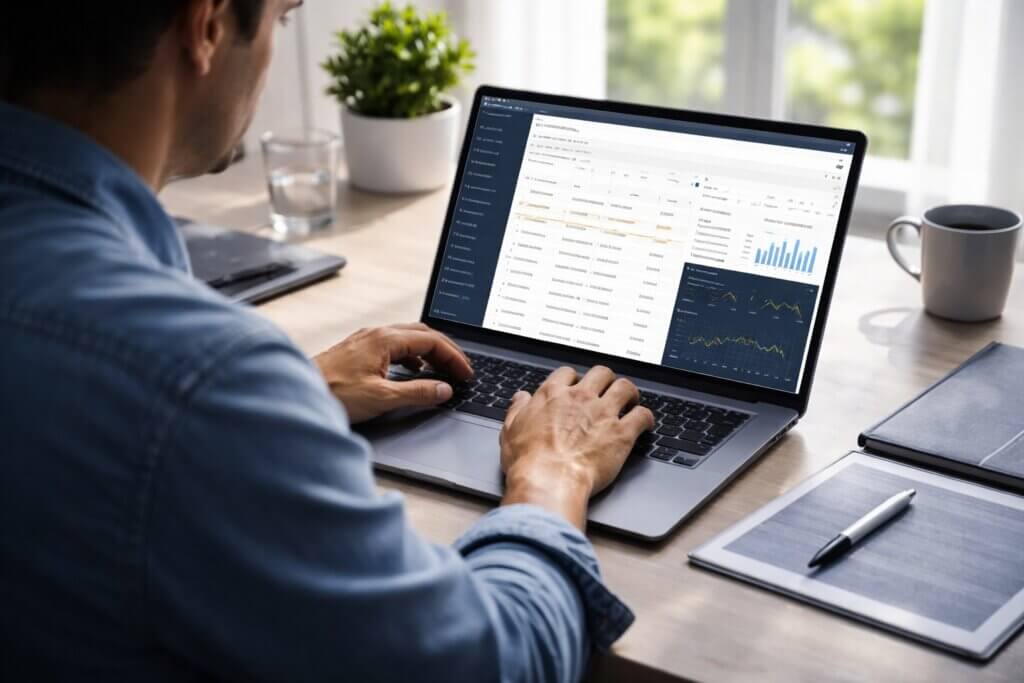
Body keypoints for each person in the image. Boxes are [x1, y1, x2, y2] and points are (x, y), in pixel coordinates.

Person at [0, 1, 656, 681]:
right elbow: (493, 663)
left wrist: (287, 399)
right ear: (209, 25)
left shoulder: (170, 380)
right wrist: (552, 471)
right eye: (282, 19)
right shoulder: (199, 383)